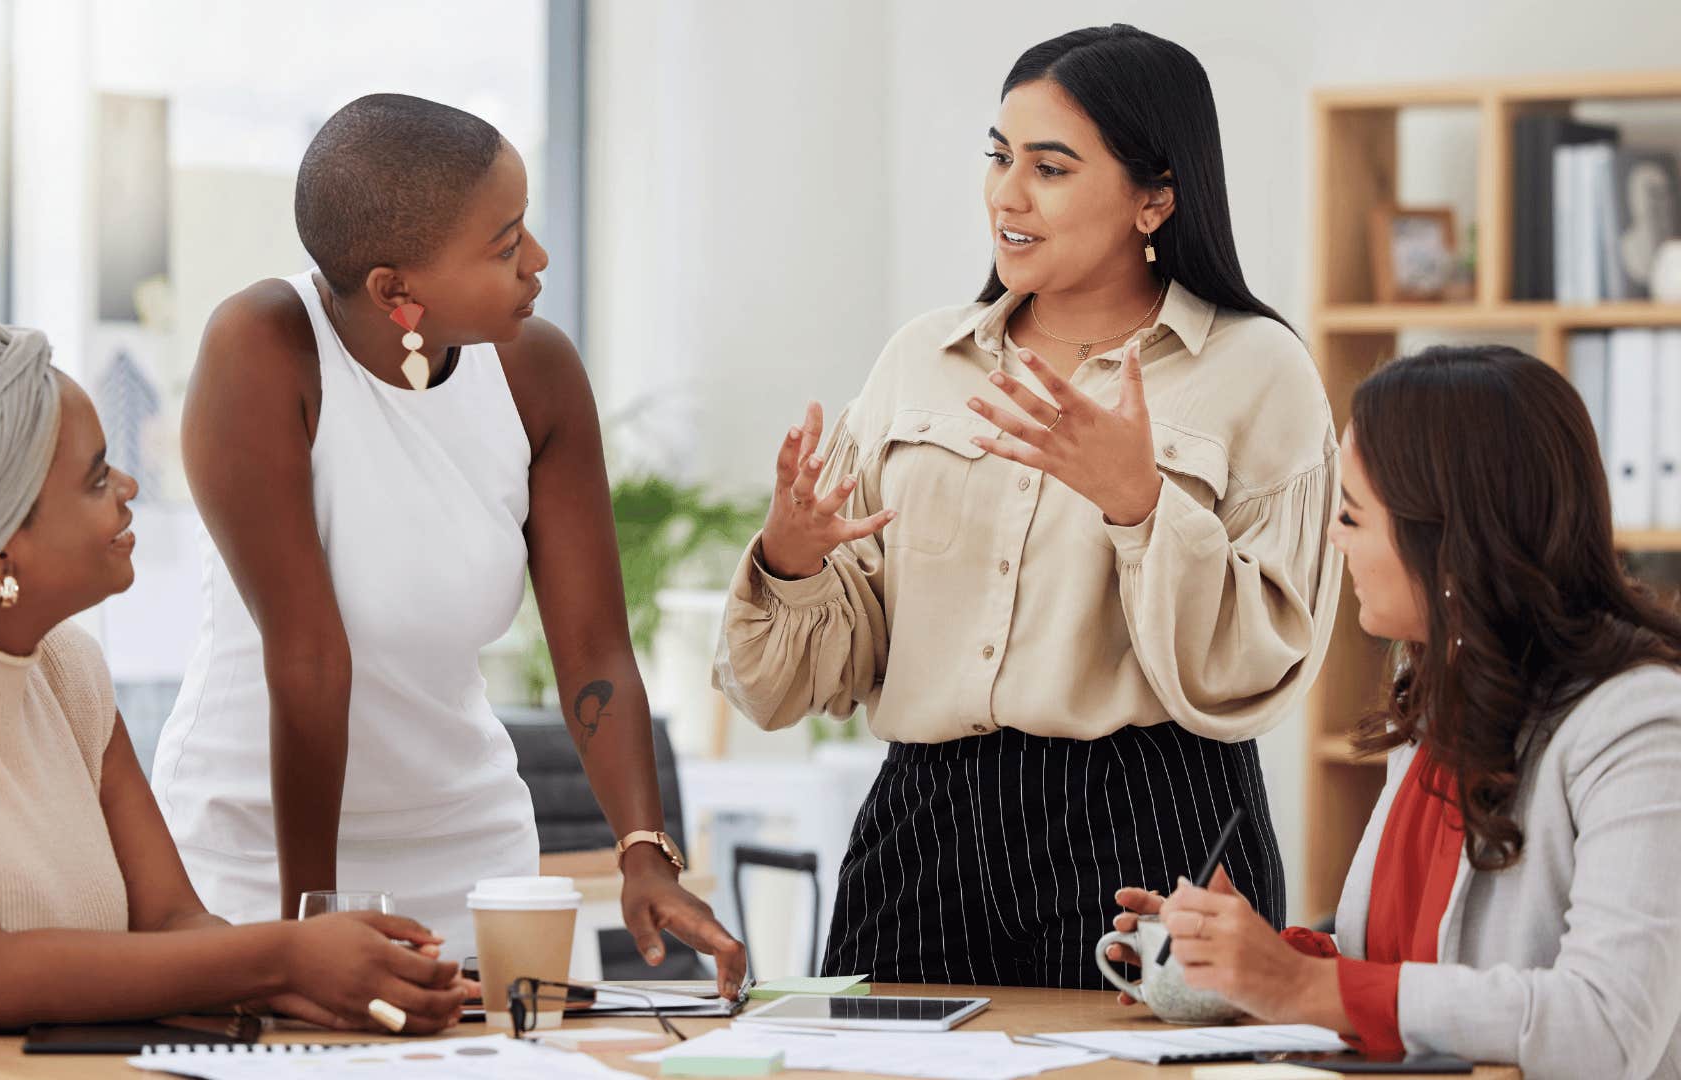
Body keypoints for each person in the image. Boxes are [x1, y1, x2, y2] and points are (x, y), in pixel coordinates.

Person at [714, 24, 1343, 988]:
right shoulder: (920, 359)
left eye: (1049, 167)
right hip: (923, 824)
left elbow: (1259, 661)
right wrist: (792, 561)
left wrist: (1141, 505)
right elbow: (815, 677)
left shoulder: (1257, 370)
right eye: (1000, 157)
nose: (1006, 195)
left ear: (1155, 196)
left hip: (1152, 818)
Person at [0, 301, 476, 1079]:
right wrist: (284, 958)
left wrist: (321, 982)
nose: (130, 487)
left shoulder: (68, 672)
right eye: (97, 477)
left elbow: (169, 923)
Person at [149, 93, 744, 988]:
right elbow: (309, 656)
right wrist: (307, 926)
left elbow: (592, 647)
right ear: (397, 290)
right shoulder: (266, 347)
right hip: (257, 857)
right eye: (506, 246)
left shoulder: (536, 372)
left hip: (473, 861)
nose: (538, 261)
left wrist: (643, 853)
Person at [1111, 345, 1681, 1078]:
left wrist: (1304, 987)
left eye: (1350, 513)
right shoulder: (1443, 684)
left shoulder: (1641, 725)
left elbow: (1603, 1028)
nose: (1332, 537)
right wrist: (1248, 965)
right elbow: (1408, 970)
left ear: (1446, 539)